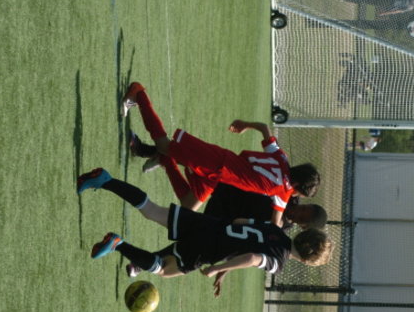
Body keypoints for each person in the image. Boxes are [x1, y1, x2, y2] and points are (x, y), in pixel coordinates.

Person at [77, 168, 334, 297]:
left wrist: (227, 251)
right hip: (208, 248)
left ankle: (105, 180)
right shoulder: (278, 261)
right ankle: (117, 244)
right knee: (164, 269)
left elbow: (241, 222)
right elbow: (252, 258)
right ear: (307, 261)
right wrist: (218, 267)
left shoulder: (275, 229)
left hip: (210, 225)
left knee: (151, 210)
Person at [121, 82, 321, 227]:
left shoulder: (282, 159)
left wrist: (246, 125)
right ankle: (139, 94)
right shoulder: (283, 191)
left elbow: (264, 128)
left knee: (189, 206)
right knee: (164, 145)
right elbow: (276, 223)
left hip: (219, 172)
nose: (297, 196)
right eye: (299, 193)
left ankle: (165, 160)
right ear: (296, 185)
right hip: (217, 164)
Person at [129, 132, 328, 230]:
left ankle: (164, 159)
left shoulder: (280, 227)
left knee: (188, 205)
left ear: (302, 226)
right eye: (303, 208)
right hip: (229, 184)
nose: (298, 212)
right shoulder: (288, 193)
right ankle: (147, 150)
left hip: (224, 212)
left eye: (301, 217)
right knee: (189, 160)